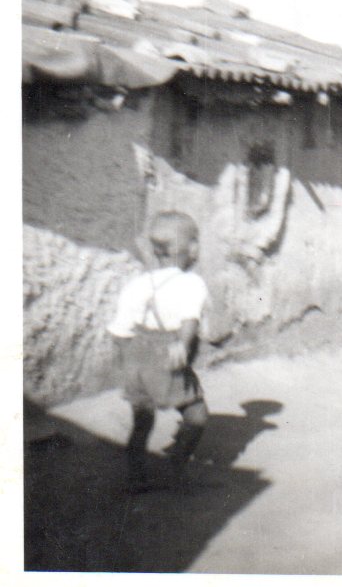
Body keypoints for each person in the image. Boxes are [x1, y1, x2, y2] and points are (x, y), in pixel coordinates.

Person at [107, 210, 211, 492]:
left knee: (142, 422)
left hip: (135, 359)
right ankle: (175, 467)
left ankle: (136, 478)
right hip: (167, 355)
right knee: (196, 415)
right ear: (192, 248)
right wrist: (181, 344)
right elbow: (190, 319)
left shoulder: (137, 283)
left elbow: (119, 330)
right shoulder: (192, 282)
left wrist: (130, 364)